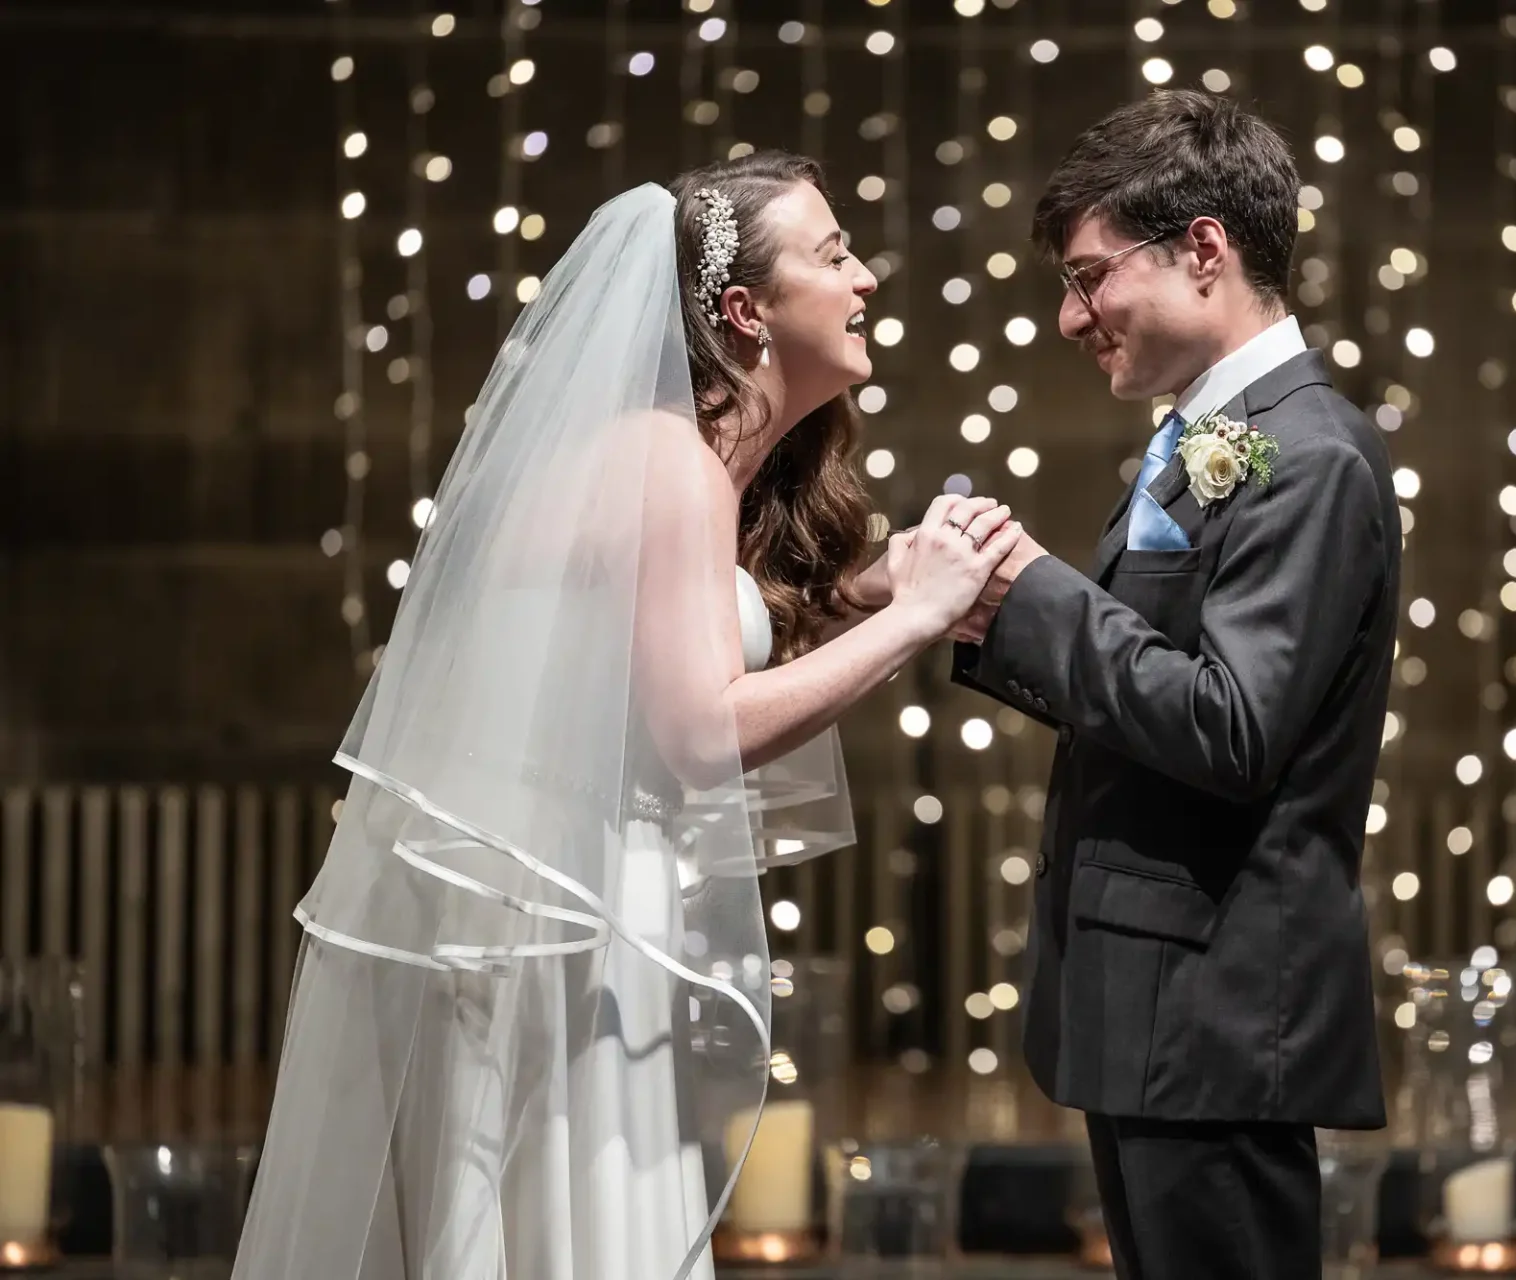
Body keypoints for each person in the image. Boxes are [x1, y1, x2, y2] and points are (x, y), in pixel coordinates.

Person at [234, 152, 1020, 1280]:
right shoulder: (665, 459)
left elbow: (670, 636)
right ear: (746, 312)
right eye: (835, 254)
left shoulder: (680, 456)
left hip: (577, 913)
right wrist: (913, 623)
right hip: (561, 939)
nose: (868, 282)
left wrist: (865, 586)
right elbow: (699, 731)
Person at [951, 91, 1401, 1279]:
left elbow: (1231, 722)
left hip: (1221, 1008)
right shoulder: (1206, 437)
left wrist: (1033, 587)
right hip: (1157, 1002)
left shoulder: (1308, 453)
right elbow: (1150, 688)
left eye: (1091, 275)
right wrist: (992, 613)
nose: (1069, 315)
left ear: (1204, 248)